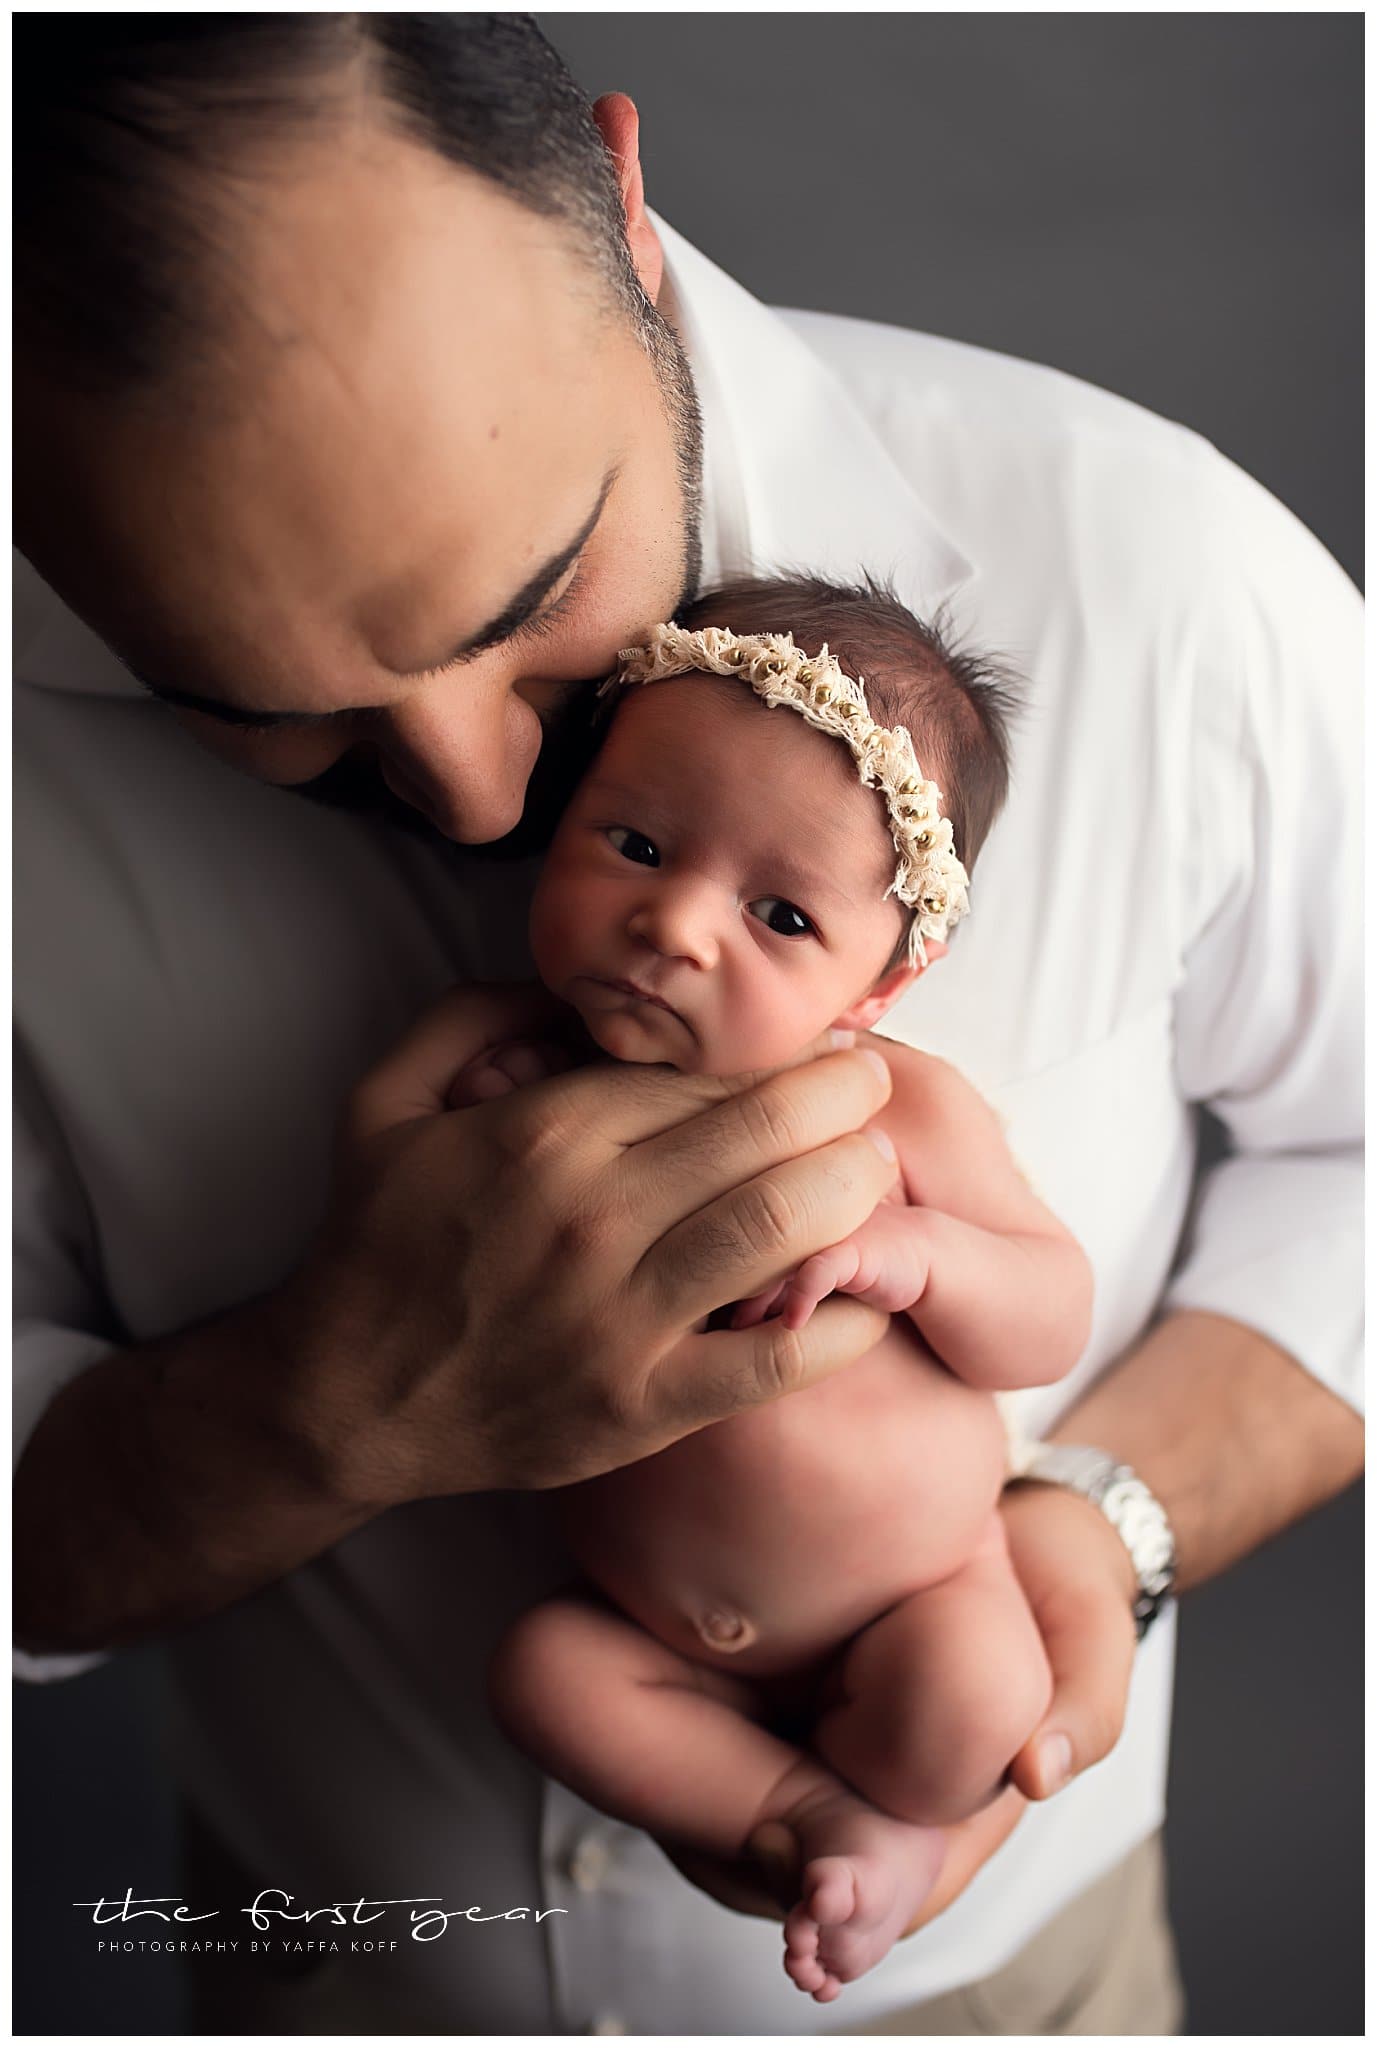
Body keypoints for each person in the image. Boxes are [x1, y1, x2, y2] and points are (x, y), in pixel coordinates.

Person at [12, 15, 1360, 2036]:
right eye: (250, 706)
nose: (479, 799)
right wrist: (328, 1402)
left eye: (534, 585)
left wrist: (1094, 1532)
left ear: (617, 213)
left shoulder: (1155, 584)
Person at [484, 583, 1094, 2005]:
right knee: (539, 1675)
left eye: (778, 914)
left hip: (913, 1597)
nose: (677, 926)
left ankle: (888, 1809)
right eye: (632, 843)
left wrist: (922, 1259)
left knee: (976, 1708)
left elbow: (1050, 1308)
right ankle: (812, 1817)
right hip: (641, 1632)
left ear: (882, 982)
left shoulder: (891, 1108)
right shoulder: (538, 1090)